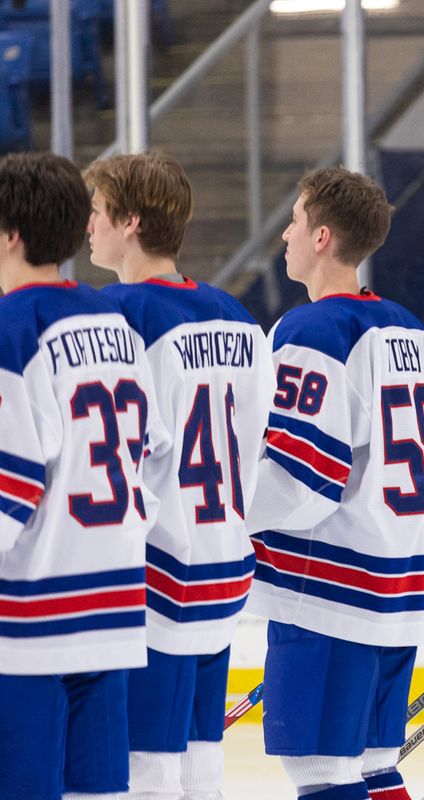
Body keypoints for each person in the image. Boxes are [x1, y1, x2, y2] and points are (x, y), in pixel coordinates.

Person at [245, 167, 424, 800]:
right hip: (400, 578)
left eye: (297, 220)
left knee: (320, 771)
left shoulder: (313, 330)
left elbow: (303, 475)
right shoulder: (409, 328)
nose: (285, 233)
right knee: (373, 765)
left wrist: (220, 516)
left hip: (328, 587)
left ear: (323, 236)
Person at [83, 151, 274, 800]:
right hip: (223, 560)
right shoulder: (239, 318)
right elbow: (259, 443)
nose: (88, 225)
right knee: (200, 753)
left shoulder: (116, 315)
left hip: (157, 563)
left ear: (130, 222)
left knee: (146, 763)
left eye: (99, 212)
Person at [0, 152, 160, 798]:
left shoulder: (12, 327)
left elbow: (9, 483)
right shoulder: (116, 322)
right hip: (113, 601)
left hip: (32, 617)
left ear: (11, 233)